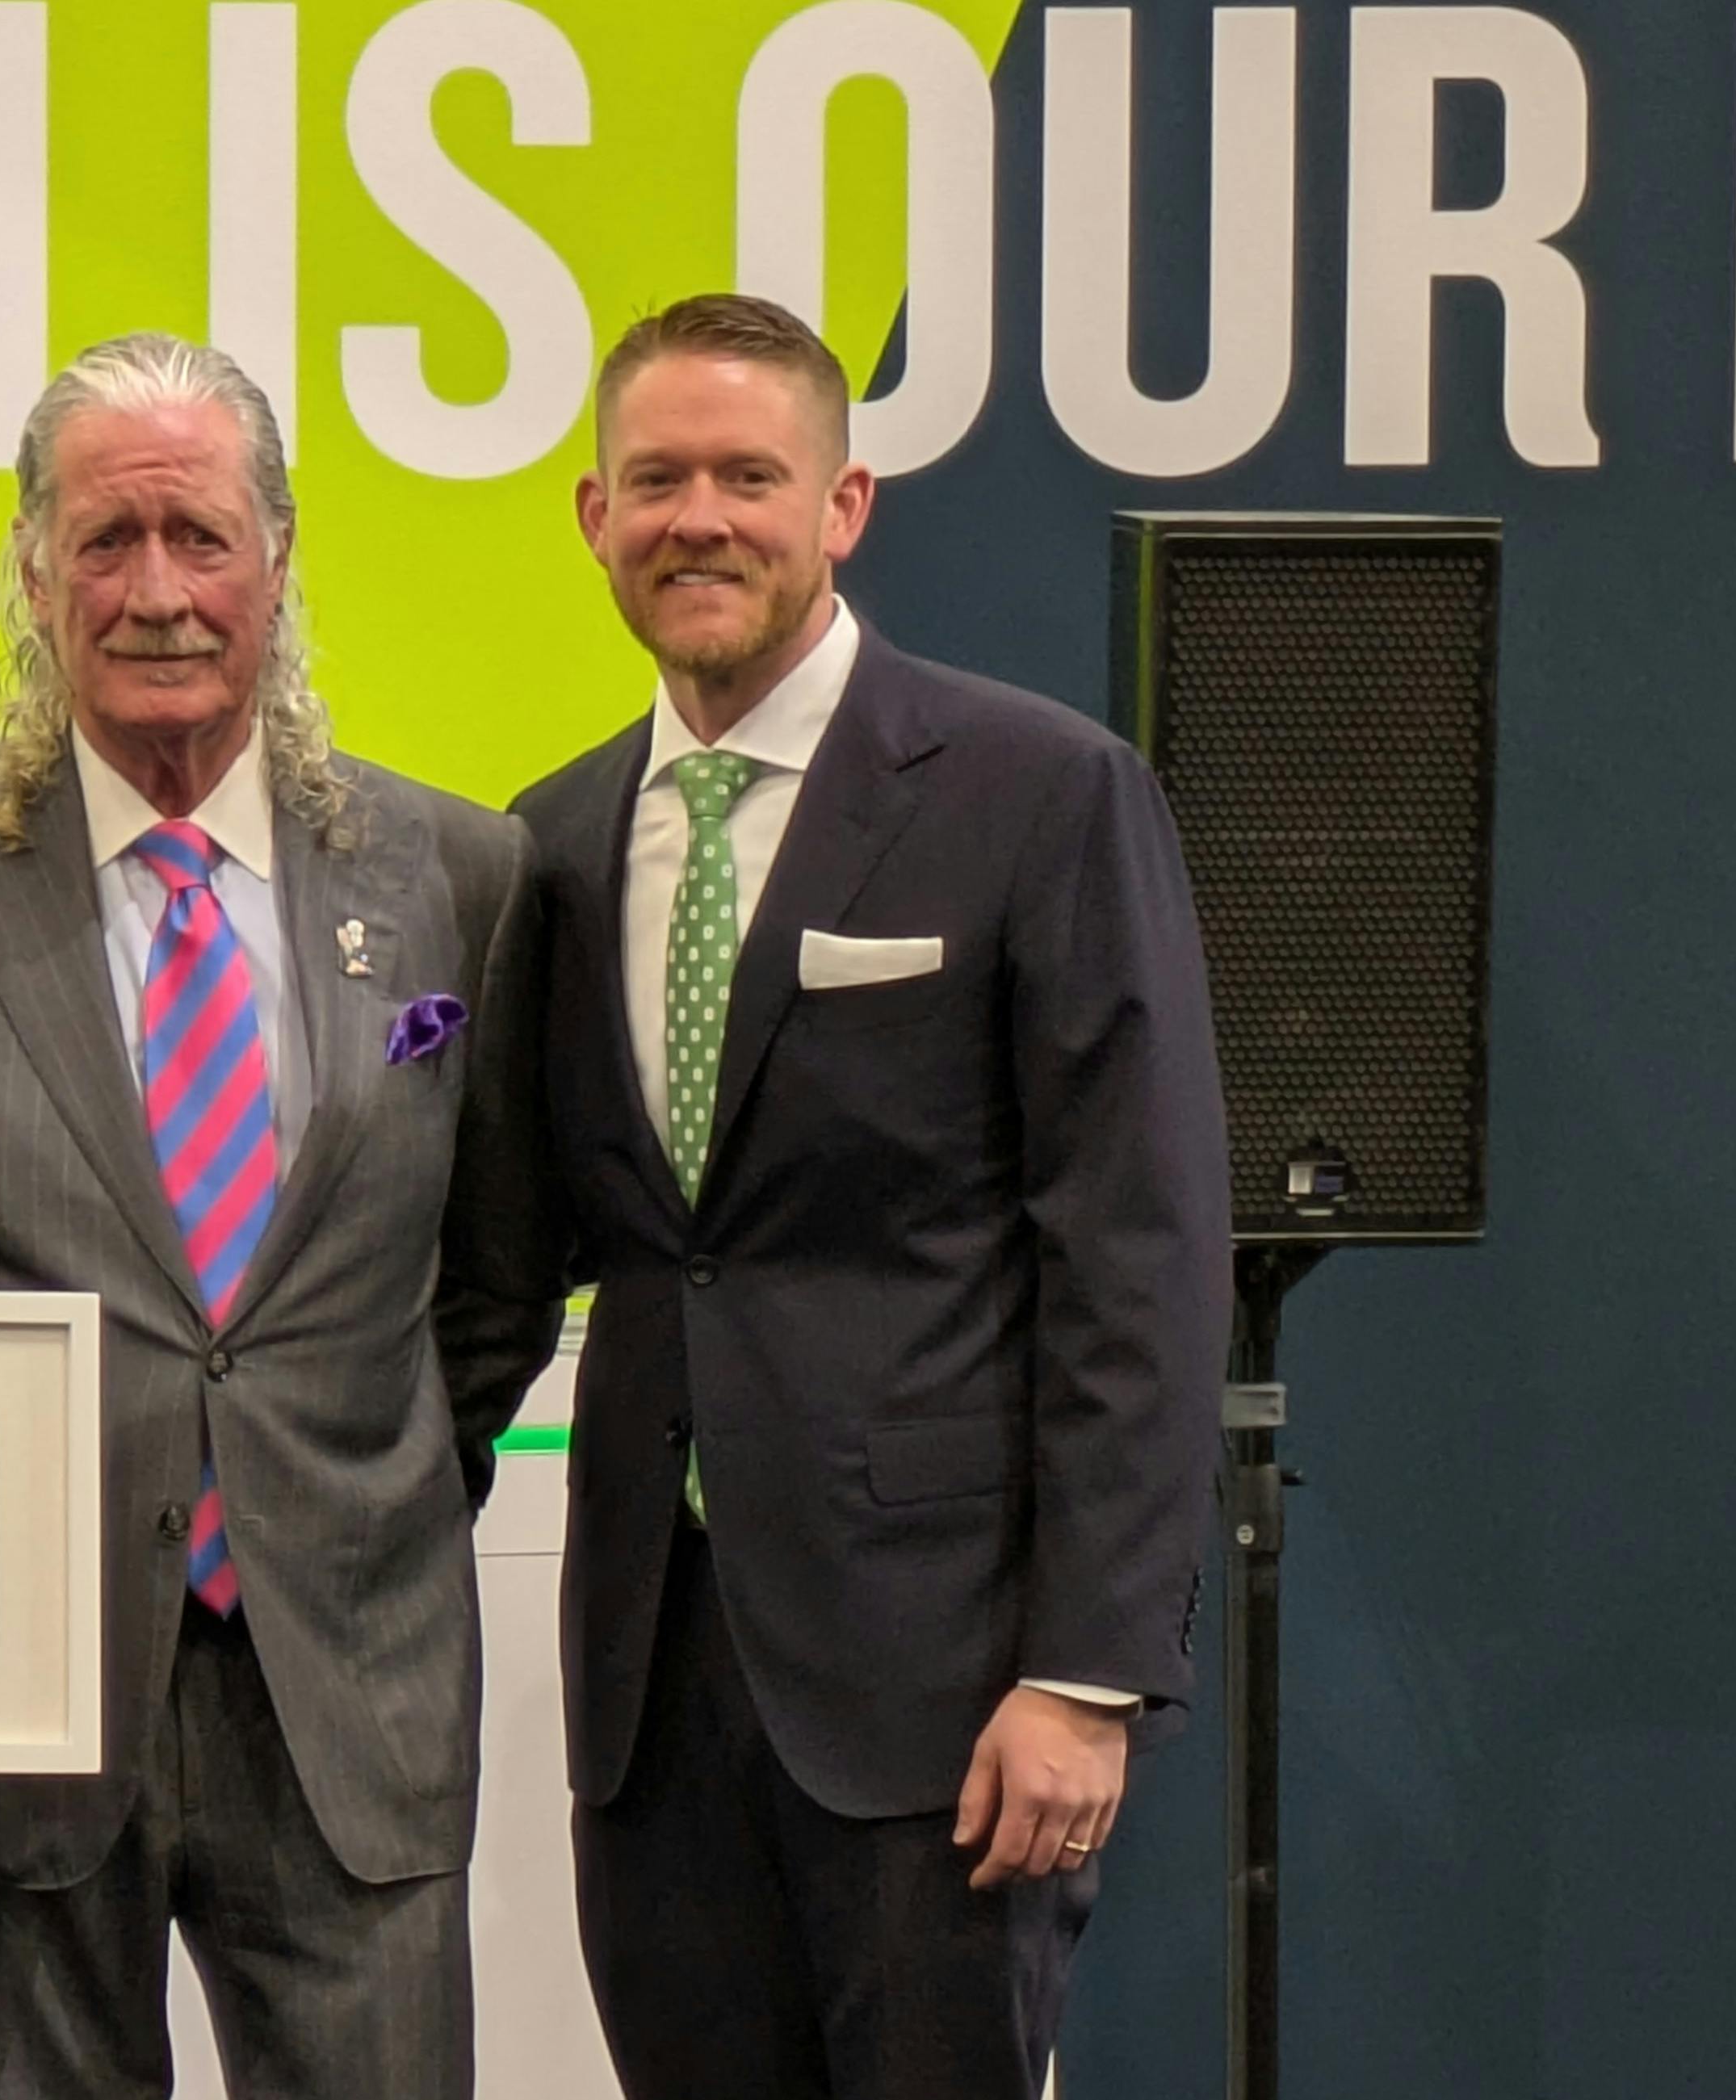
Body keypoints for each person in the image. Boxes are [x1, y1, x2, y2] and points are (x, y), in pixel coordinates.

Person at [0, 333, 557, 2100]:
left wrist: (362, 1477)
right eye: (104, 541)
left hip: (347, 1693)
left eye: (199, 537)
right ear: (32, 567)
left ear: (277, 559)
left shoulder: (455, 873)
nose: (155, 594)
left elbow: (501, 1272)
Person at [509, 294, 1230, 2096]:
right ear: (591, 516)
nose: (700, 516)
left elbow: (1136, 1255)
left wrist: (1085, 1672)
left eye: (750, 475)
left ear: (843, 507)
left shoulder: (1040, 792)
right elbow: (511, 1267)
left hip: (944, 1703)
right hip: (649, 1700)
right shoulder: (549, 835)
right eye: (655, 476)